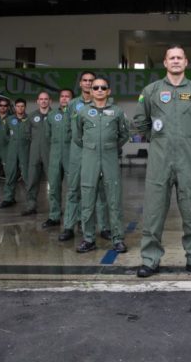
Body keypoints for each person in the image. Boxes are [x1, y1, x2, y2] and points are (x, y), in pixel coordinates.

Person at [133, 45, 191, 278]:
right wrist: (157, 140)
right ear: (165, 63)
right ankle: (150, 260)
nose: (176, 61)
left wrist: (188, 140)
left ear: (186, 62)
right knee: (154, 211)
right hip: (160, 161)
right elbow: (140, 121)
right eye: (172, 58)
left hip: (188, 161)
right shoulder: (151, 90)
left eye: (180, 57)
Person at [73, 76, 130, 253]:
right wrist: (91, 148)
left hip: (110, 157)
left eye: (102, 88)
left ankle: (118, 238)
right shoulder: (82, 112)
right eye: (95, 87)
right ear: (90, 91)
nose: (98, 90)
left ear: (108, 91)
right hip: (89, 157)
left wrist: (110, 147)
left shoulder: (117, 112)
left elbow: (124, 134)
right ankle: (88, 239)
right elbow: (77, 136)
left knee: (113, 199)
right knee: (88, 199)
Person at [59, 72, 110, 242]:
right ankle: (68, 226)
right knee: (73, 190)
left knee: (100, 191)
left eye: (91, 81)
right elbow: (68, 129)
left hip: (98, 154)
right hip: (77, 153)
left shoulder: (107, 104)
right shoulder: (73, 105)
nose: (88, 84)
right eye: (85, 81)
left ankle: (104, 227)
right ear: (80, 84)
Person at [42, 89, 73, 228]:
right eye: (62, 96)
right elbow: (47, 135)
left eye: (67, 96)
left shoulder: (75, 115)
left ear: (72, 99)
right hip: (54, 155)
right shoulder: (52, 115)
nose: (64, 99)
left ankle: (74, 217)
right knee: (53, 186)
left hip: (71, 154)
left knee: (73, 188)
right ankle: (54, 216)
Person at [22, 91, 52, 216]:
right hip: (34, 152)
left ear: (49, 101)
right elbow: (26, 133)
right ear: (37, 101)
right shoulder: (32, 116)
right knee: (32, 179)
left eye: (46, 99)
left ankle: (55, 208)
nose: (43, 101)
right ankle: (31, 206)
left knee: (53, 181)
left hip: (50, 153)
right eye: (41, 99)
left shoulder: (55, 115)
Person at [0, 98, 30, 208]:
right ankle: (9, 198)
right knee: (10, 174)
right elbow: (5, 134)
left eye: (22, 106)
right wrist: (12, 142)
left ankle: (31, 200)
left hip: (25, 151)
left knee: (27, 175)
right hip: (12, 151)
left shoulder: (29, 119)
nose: (20, 108)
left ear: (25, 107)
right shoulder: (9, 120)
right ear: (15, 107)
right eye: (18, 106)